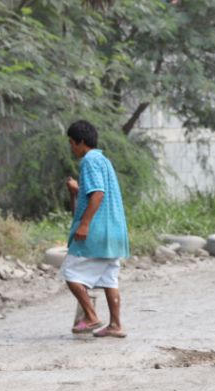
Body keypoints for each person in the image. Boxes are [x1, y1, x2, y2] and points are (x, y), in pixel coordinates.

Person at [61, 120, 130, 338]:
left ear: (81, 142)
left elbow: (98, 194)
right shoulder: (103, 160)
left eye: (72, 143)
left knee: (70, 272)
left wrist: (84, 224)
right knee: (110, 277)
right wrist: (76, 191)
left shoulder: (89, 161)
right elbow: (93, 195)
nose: (72, 148)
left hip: (97, 232)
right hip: (115, 232)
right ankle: (115, 325)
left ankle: (90, 316)